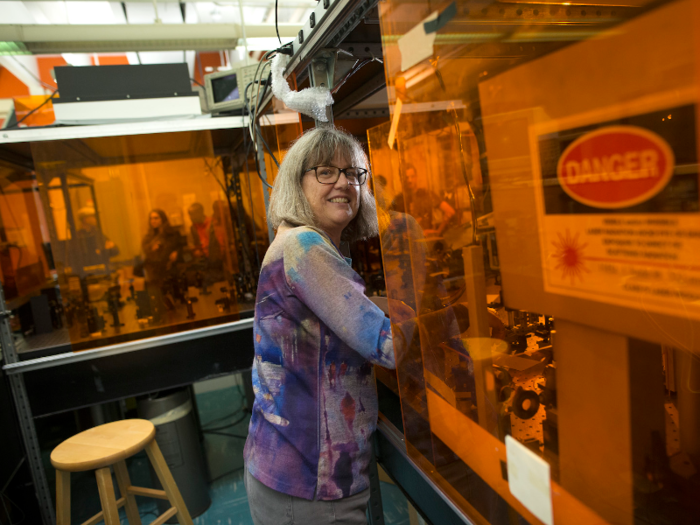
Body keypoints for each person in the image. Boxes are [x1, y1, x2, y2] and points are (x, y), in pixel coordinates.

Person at [243, 127, 396, 525]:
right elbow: (387, 346)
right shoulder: (304, 247)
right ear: (298, 182)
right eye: (326, 171)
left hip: (287, 471)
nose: (344, 182)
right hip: (310, 485)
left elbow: (345, 311)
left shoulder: (296, 242)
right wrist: (446, 316)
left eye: (354, 173)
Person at [141, 209, 181, 281]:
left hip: (172, 268)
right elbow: (145, 251)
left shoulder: (173, 233)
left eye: (156, 218)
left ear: (162, 219)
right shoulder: (148, 237)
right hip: (155, 271)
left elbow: (181, 247)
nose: (153, 221)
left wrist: (177, 252)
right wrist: (152, 249)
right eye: (151, 219)